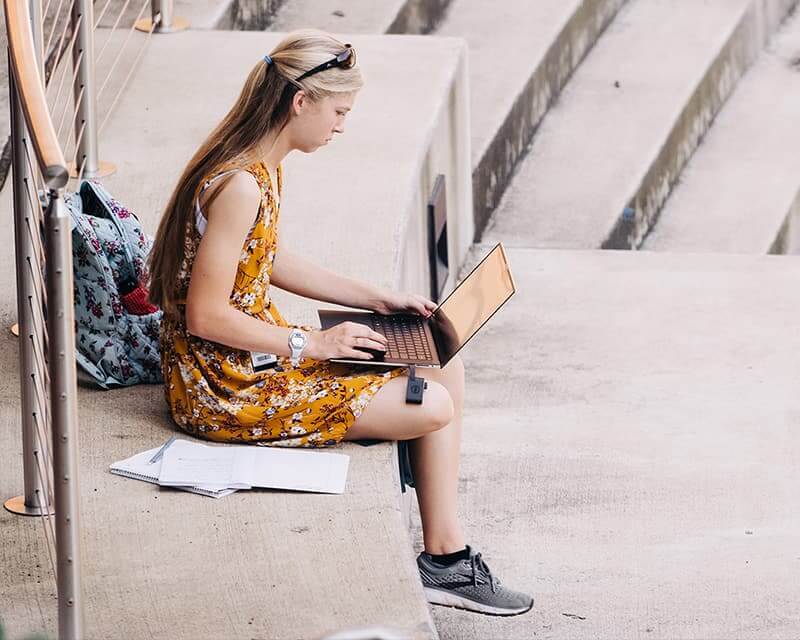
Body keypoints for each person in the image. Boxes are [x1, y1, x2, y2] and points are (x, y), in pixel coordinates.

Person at [147, 29, 532, 617]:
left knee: (442, 356)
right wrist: (314, 342)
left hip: (252, 364)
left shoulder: (259, 167)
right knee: (432, 407)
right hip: (225, 389)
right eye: (339, 111)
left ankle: (447, 558)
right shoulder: (242, 184)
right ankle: (446, 557)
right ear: (301, 102)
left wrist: (377, 297)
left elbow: (266, 258)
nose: (342, 126)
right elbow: (206, 313)